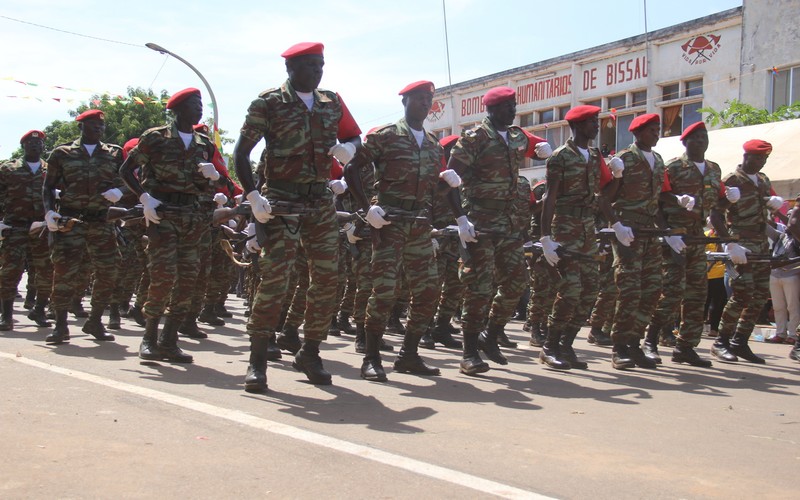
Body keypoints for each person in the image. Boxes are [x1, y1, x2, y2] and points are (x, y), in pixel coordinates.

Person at [233, 42, 362, 392]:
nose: (317, 72)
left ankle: (310, 351)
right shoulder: (269, 102)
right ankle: (257, 360)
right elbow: (241, 153)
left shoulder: (330, 101)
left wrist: (350, 148)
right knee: (276, 278)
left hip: (319, 199)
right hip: (282, 198)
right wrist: (253, 195)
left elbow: (355, 135)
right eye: (309, 66)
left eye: (320, 65)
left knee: (327, 278)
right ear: (291, 70)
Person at [344, 80, 454, 382]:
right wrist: (367, 208)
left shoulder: (433, 145)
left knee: (429, 291)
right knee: (384, 292)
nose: (424, 104)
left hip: (418, 225)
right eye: (418, 98)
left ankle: (408, 354)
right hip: (389, 223)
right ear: (404, 101)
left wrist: (446, 185)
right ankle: (371, 357)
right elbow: (352, 169)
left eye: (428, 99)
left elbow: (432, 192)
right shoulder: (387, 136)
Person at [445, 86, 551, 375]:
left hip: (508, 223)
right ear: (491, 110)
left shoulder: (516, 135)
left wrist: (542, 148)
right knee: (478, 287)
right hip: (480, 220)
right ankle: (469, 352)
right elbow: (449, 180)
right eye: (507, 106)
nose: (513, 111)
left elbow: (534, 144)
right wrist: (461, 220)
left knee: (517, 283)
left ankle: (490, 336)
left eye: (514, 105)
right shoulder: (474, 138)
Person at [119, 88, 218, 363]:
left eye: (200, 104)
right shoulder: (155, 137)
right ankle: (149, 338)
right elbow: (126, 170)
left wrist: (211, 178)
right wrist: (144, 197)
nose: (199, 109)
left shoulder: (203, 144)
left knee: (188, 280)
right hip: (162, 215)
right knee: (163, 277)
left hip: (191, 216)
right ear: (178, 109)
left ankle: (169, 340)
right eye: (193, 104)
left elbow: (203, 185)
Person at [538, 105, 617, 370]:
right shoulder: (561, 157)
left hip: (587, 228)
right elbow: (549, 197)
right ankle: (549, 346)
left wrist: (619, 176)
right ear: (578, 125)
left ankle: (567, 345)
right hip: (565, 228)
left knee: (590, 291)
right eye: (592, 122)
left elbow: (604, 194)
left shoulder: (594, 156)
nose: (596, 126)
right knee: (570, 290)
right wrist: (546, 237)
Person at [43, 109, 125, 345]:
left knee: (109, 271)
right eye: (92, 125)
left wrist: (120, 191)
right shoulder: (62, 153)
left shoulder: (114, 153)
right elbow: (48, 186)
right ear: (81, 126)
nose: (98, 129)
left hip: (101, 220)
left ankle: (95, 320)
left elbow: (128, 180)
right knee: (64, 272)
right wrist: (49, 211)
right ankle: (60, 325)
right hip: (72, 220)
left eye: (101, 126)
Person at [646, 121, 723, 367]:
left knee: (697, 294)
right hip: (675, 237)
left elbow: (717, 207)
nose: (702, 141)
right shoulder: (674, 168)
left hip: (698, 238)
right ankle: (650, 339)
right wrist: (667, 233)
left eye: (705, 137)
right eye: (696, 137)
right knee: (671, 292)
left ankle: (686, 346)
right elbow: (655, 202)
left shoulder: (713, 169)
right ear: (686, 142)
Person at [710, 139, 784, 364]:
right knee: (742, 293)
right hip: (741, 242)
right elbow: (715, 215)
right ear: (746, 157)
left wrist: (773, 204)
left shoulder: (763, 180)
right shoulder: (732, 181)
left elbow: (768, 209)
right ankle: (721, 342)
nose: (762, 163)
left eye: (765, 159)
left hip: (761, 242)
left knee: (760, 294)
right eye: (759, 158)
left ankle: (740, 341)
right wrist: (729, 243)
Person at [0, 130, 54, 331]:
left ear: (43, 147)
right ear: (23, 146)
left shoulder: (50, 169)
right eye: (31, 143)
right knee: (10, 271)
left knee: (46, 271)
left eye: (39, 143)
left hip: (41, 228)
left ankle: (39, 309)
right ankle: (6, 315)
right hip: (15, 227)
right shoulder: (8, 169)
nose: (35, 146)